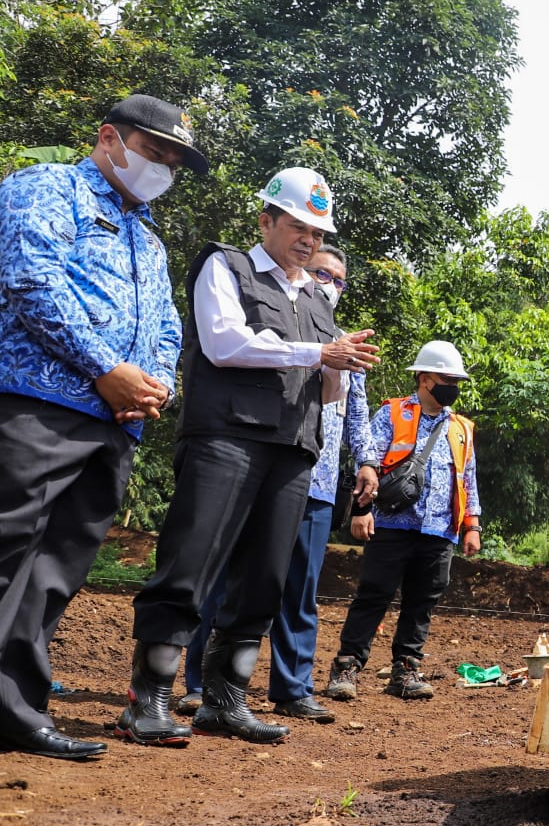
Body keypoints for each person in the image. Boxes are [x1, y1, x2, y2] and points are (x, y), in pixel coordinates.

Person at [122, 168, 378, 747]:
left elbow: (327, 389)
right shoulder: (227, 267)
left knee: (264, 577)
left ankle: (224, 701)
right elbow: (222, 342)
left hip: (292, 450)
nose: (309, 239)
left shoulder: (316, 297)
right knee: (190, 567)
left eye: (317, 231)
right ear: (266, 221)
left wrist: (341, 364)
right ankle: (149, 700)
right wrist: (320, 350)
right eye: (297, 226)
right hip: (226, 440)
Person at [0, 95, 207, 760]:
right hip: (40, 404)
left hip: (114, 426)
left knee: (53, 573)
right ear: (109, 138)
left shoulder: (148, 238)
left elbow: (168, 325)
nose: (164, 168)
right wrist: (105, 368)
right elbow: (31, 281)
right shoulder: (47, 188)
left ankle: (16, 708)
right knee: (7, 554)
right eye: (156, 152)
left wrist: (154, 384)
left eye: (175, 161)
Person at [173, 246, 380, 722]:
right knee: (223, 578)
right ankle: (200, 684)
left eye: (338, 280)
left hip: (316, 481)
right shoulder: (268, 314)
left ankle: (293, 687)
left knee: (296, 590)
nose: (329, 283)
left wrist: (367, 461)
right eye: (321, 273)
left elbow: (354, 409)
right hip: (254, 462)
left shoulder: (344, 342)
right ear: (300, 274)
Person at [324, 341, 481, 702]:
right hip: (393, 524)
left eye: (457, 380)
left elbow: (468, 478)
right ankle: (347, 667)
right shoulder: (393, 414)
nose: (453, 386)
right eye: (447, 378)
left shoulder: (461, 428)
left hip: (440, 529)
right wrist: (361, 511)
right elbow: (368, 462)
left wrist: (471, 525)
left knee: (422, 601)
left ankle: (406, 669)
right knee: (373, 595)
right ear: (425, 379)